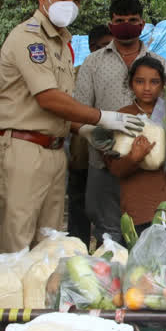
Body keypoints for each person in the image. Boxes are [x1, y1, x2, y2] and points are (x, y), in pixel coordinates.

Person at [0, 0, 144, 253]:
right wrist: (104, 117)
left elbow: (63, 103)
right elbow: (49, 98)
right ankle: (5, 298)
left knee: (48, 243)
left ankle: (39, 298)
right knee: (16, 241)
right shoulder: (29, 38)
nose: (70, 3)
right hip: (23, 148)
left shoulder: (61, 43)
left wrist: (84, 129)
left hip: (54, 149)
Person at [74, 0, 166, 243]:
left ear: (142, 23)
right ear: (111, 23)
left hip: (149, 161)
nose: (126, 24)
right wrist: (96, 138)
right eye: (120, 20)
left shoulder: (159, 63)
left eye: (132, 20)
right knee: (109, 232)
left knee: (147, 230)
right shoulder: (92, 63)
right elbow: (79, 111)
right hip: (104, 160)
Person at [100, 56, 166, 233]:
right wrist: (133, 158)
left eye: (154, 82)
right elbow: (115, 169)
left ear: (163, 84)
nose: (147, 88)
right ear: (131, 84)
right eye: (140, 81)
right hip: (141, 206)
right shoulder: (121, 118)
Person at [66, 24, 114, 245]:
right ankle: (77, 251)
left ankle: (109, 252)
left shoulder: (121, 73)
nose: (100, 51)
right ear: (88, 47)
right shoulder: (75, 73)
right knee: (78, 207)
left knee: (107, 211)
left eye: (105, 46)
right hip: (81, 155)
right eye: (95, 47)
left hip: (110, 156)